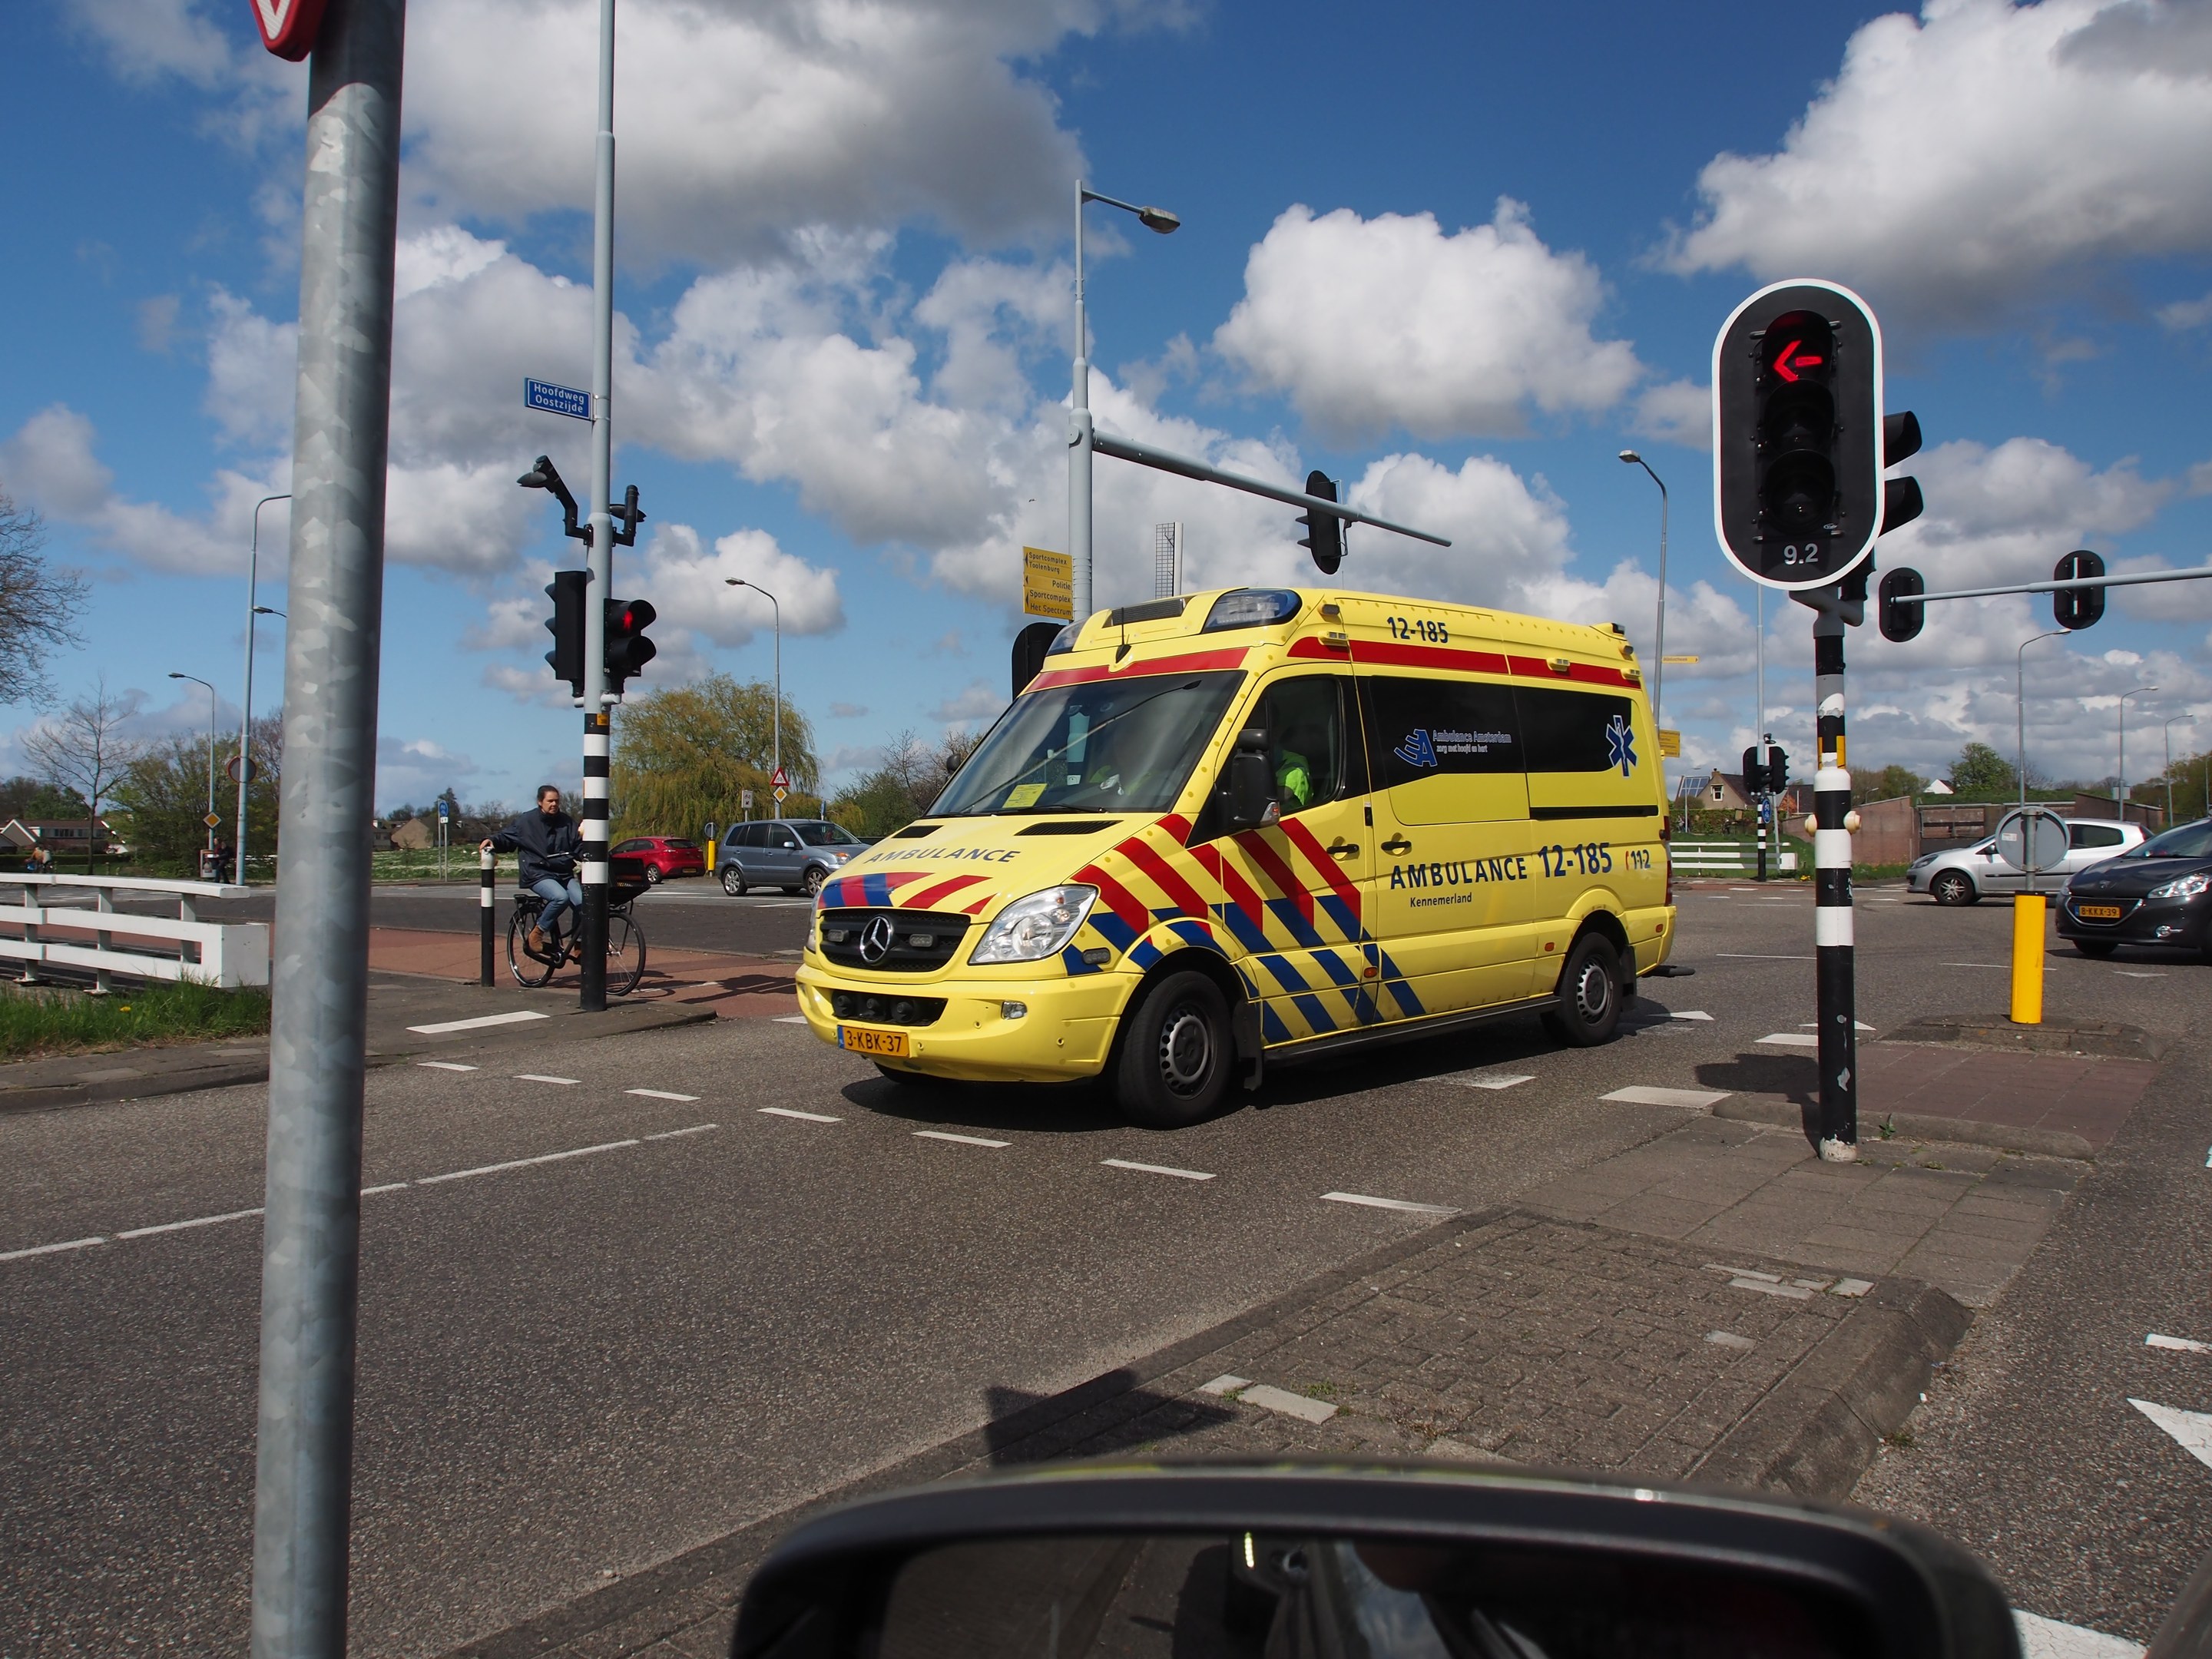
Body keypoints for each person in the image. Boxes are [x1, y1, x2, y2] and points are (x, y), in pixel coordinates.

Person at [482, 786, 582, 955]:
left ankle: (579, 944)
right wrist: (492, 841)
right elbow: (507, 837)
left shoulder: (567, 822)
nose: (554, 804)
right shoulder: (526, 822)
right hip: (537, 872)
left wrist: (590, 853)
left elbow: (578, 844)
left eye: (557, 801)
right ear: (540, 802)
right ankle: (537, 933)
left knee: (584, 902)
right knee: (560, 897)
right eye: (550, 801)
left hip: (563, 872)